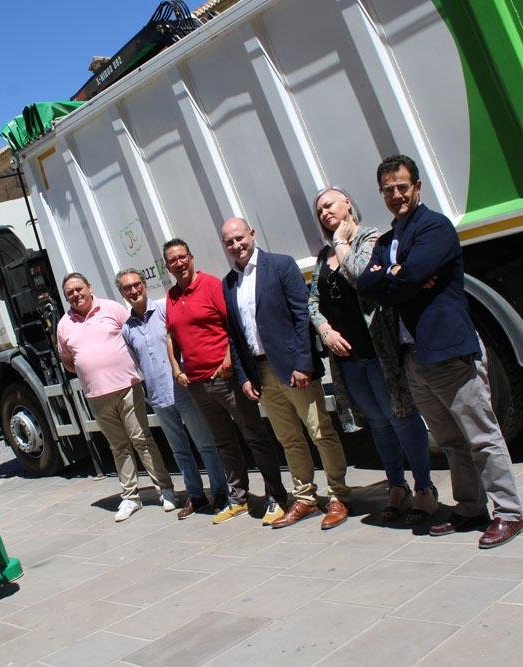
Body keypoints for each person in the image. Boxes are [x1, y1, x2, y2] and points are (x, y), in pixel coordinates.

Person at [356, 154, 523, 548]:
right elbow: (366, 284)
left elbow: (410, 278)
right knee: (449, 441)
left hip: (448, 352)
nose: (396, 195)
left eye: (402, 187)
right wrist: (397, 277)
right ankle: (470, 507)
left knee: (481, 437)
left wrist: (398, 277)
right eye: (388, 190)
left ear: (417, 187)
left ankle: (510, 513)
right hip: (413, 358)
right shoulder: (385, 240)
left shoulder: (435, 228)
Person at [309, 187, 437, 524]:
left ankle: (425, 487)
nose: (324, 213)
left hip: (378, 353)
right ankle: (397, 487)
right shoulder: (324, 257)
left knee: (401, 418)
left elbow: (363, 277)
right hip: (350, 362)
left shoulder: (371, 239)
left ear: (348, 203)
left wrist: (340, 241)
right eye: (319, 211)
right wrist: (326, 330)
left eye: (329, 205)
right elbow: (313, 303)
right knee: (379, 425)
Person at [220, 217, 351, 531]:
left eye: (240, 237)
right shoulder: (228, 283)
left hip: (293, 368)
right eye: (229, 242)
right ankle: (304, 498)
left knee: (320, 432)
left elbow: (300, 315)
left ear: (252, 234)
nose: (236, 245)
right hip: (261, 372)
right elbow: (235, 337)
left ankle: (338, 495)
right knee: (289, 439)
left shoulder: (280, 265)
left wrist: (303, 364)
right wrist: (244, 377)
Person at [162, 239, 289, 525]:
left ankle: (276, 496)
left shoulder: (210, 285)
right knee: (224, 443)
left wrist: (228, 360)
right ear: (167, 266)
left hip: (225, 378)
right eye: (172, 260)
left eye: (182, 257)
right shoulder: (171, 296)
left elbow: (232, 324)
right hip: (197, 384)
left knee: (254, 436)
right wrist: (175, 367)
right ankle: (239, 498)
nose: (178, 263)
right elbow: (171, 334)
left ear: (191, 258)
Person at [56, 272, 177, 522]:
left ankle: (165, 490)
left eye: (79, 288)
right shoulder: (63, 324)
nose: (76, 294)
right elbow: (68, 360)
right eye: (70, 292)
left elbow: (135, 335)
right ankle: (131, 497)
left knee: (142, 439)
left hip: (127, 387)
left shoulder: (112, 309)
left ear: (90, 287)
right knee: (119, 447)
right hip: (97, 396)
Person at [117, 268, 230, 519]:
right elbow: (139, 362)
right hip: (157, 397)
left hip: (183, 391)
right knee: (179, 450)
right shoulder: (127, 329)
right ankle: (196, 495)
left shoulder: (164, 310)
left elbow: (181, 343)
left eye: (137, 285)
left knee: (205, 444)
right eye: (127, 288)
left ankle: (220, 492)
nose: (134, 291)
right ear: (122, 293)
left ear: (145, 285)